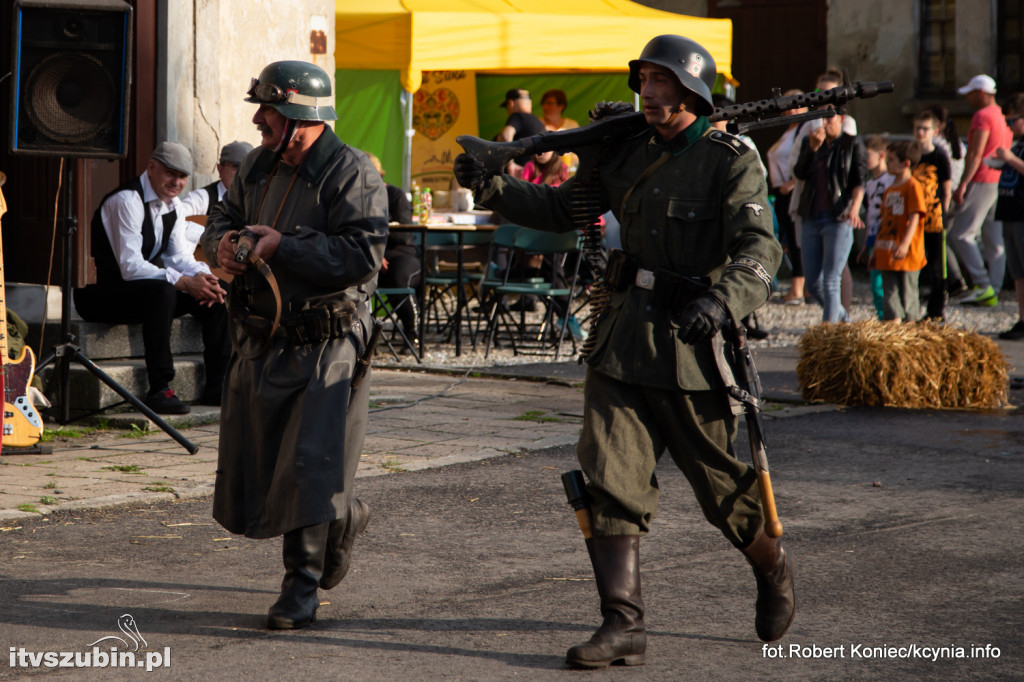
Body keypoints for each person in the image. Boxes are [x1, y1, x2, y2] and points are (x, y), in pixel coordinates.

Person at [455, 34, 791, 668]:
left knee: (722, 490)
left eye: (662, 82)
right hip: (622, 338)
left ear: (692, 90)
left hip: (692, 344)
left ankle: (771, 565)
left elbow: (759, 248)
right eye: (644, 79)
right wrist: (493, 185)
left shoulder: (729, 156)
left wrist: (724, 301)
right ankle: (623, 623)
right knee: (608, 477)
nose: (649, 91)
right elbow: (562, 208)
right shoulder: (626, 150)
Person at [200, 60, 387, 630]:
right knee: (259, 457)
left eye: (269, 112)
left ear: (301, 117)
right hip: (262, 336)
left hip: (326, 339)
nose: (259, 121)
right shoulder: (256, 165)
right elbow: (217, 223)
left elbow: (361, 257)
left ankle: (299, 588)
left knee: (309, 462)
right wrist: (225, 246)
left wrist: (286, 247)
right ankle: (342, 515)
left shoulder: (353, 172)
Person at [73, 141, 230, 414]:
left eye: (183, 177)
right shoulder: (126, 201)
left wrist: (206, 279)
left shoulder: (175, 208)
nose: (177, 182)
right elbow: (130, 267)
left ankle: (218, 385)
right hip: (100, 295)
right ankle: (160, 388)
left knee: (218, 293)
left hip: (140, 295)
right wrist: (182, 282)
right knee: (164, 291)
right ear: (151, 168)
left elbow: (180, 257)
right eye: (171, 173)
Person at [793, 104, 867, 323]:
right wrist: (812, 149)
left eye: (830, 119)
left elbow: (859, 180)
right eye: (822, 119)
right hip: (811, 216)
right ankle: (842, 318)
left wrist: (854, 208)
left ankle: (829, 332)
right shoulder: (811, 141)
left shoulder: (851, 143)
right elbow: (799, 173)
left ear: (842, 119)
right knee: (813, 282)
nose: (825, 124)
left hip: (838, 216)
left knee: (831, 280)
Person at [948, 75, 1012, 306]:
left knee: (961, 234)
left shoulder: (982, 115)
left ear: (981, 93)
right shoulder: (1002, 115)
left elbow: (975, 153)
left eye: (970, 93)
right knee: (993, 237)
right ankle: (992, 288)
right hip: (1000, 178)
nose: (967, 98)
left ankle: (983, 285)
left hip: (983, 178)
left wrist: (964, 183)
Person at [368, 153, 420, 345]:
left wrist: (380, 232)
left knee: (398, 276)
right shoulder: (359, 198)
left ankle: (411, 331)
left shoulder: (395, 196)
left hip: (403, 254)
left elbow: (404, 235)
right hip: (373, 254)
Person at [873, 141, 927, 322]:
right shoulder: (890, 189)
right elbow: (884, 221)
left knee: (908, 294)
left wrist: (905, 244)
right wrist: (875, 248)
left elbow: (915, 217)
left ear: (905, 163)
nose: (887, 163)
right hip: (887, 251)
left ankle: (910, 328)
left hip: (907, 254)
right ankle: (893, 327)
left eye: (891, 160)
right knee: (889, 295)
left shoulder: (912, 186)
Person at [766, 90, 808, 305]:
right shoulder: (790, 130)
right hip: (782, 192)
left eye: (796, 104)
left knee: (796, 239)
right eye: (788, 104)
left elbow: (806, 160)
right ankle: (801, 286)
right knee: (791, 240)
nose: (792, 109)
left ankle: (798, 288)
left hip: (791, 191)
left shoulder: (803, 129)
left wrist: (790, 184)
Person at [912, 111, 953, 320]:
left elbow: (946, 189)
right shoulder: (911, 155)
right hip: (913, 218)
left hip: (934, 217)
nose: (920, 132)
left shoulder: (939, 156)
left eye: (925, 128)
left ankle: (936, 311)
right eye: (917, 128)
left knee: (937, 264)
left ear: (934, 131)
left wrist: (943, 213)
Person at [930, 105, 969, 297]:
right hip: (953, 193)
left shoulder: (935, 144)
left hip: (942, 195)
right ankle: (951, 281)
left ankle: (953, 280)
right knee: (942, 240)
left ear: (935, 126)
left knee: (938, 240)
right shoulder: (957, 143)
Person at [994, 94, 1024, 339]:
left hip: (1022, 214)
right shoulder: (1018, 143)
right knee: (1017, 271)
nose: (1009, 126)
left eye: (1013, 120)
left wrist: (1010, 159)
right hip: (1010, 211)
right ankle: (1022, 318)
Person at [858, 135, 894, 320]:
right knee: (875, 282)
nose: (864, 160)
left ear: (881, 155)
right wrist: (866, 242)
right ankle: (883, 317)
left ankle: (890, 317)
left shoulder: (890, 180)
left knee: (884, 282)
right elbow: (871, 215)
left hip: (887, 237)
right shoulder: (869, 183)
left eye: (868, 155)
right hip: (874, 238)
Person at [498, 88, 546, 176]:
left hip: (517, 176)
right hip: (534, 177)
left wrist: (510, 164)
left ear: (511, 103)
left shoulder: (517, 117)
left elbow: (506, 135)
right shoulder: (540, 123)